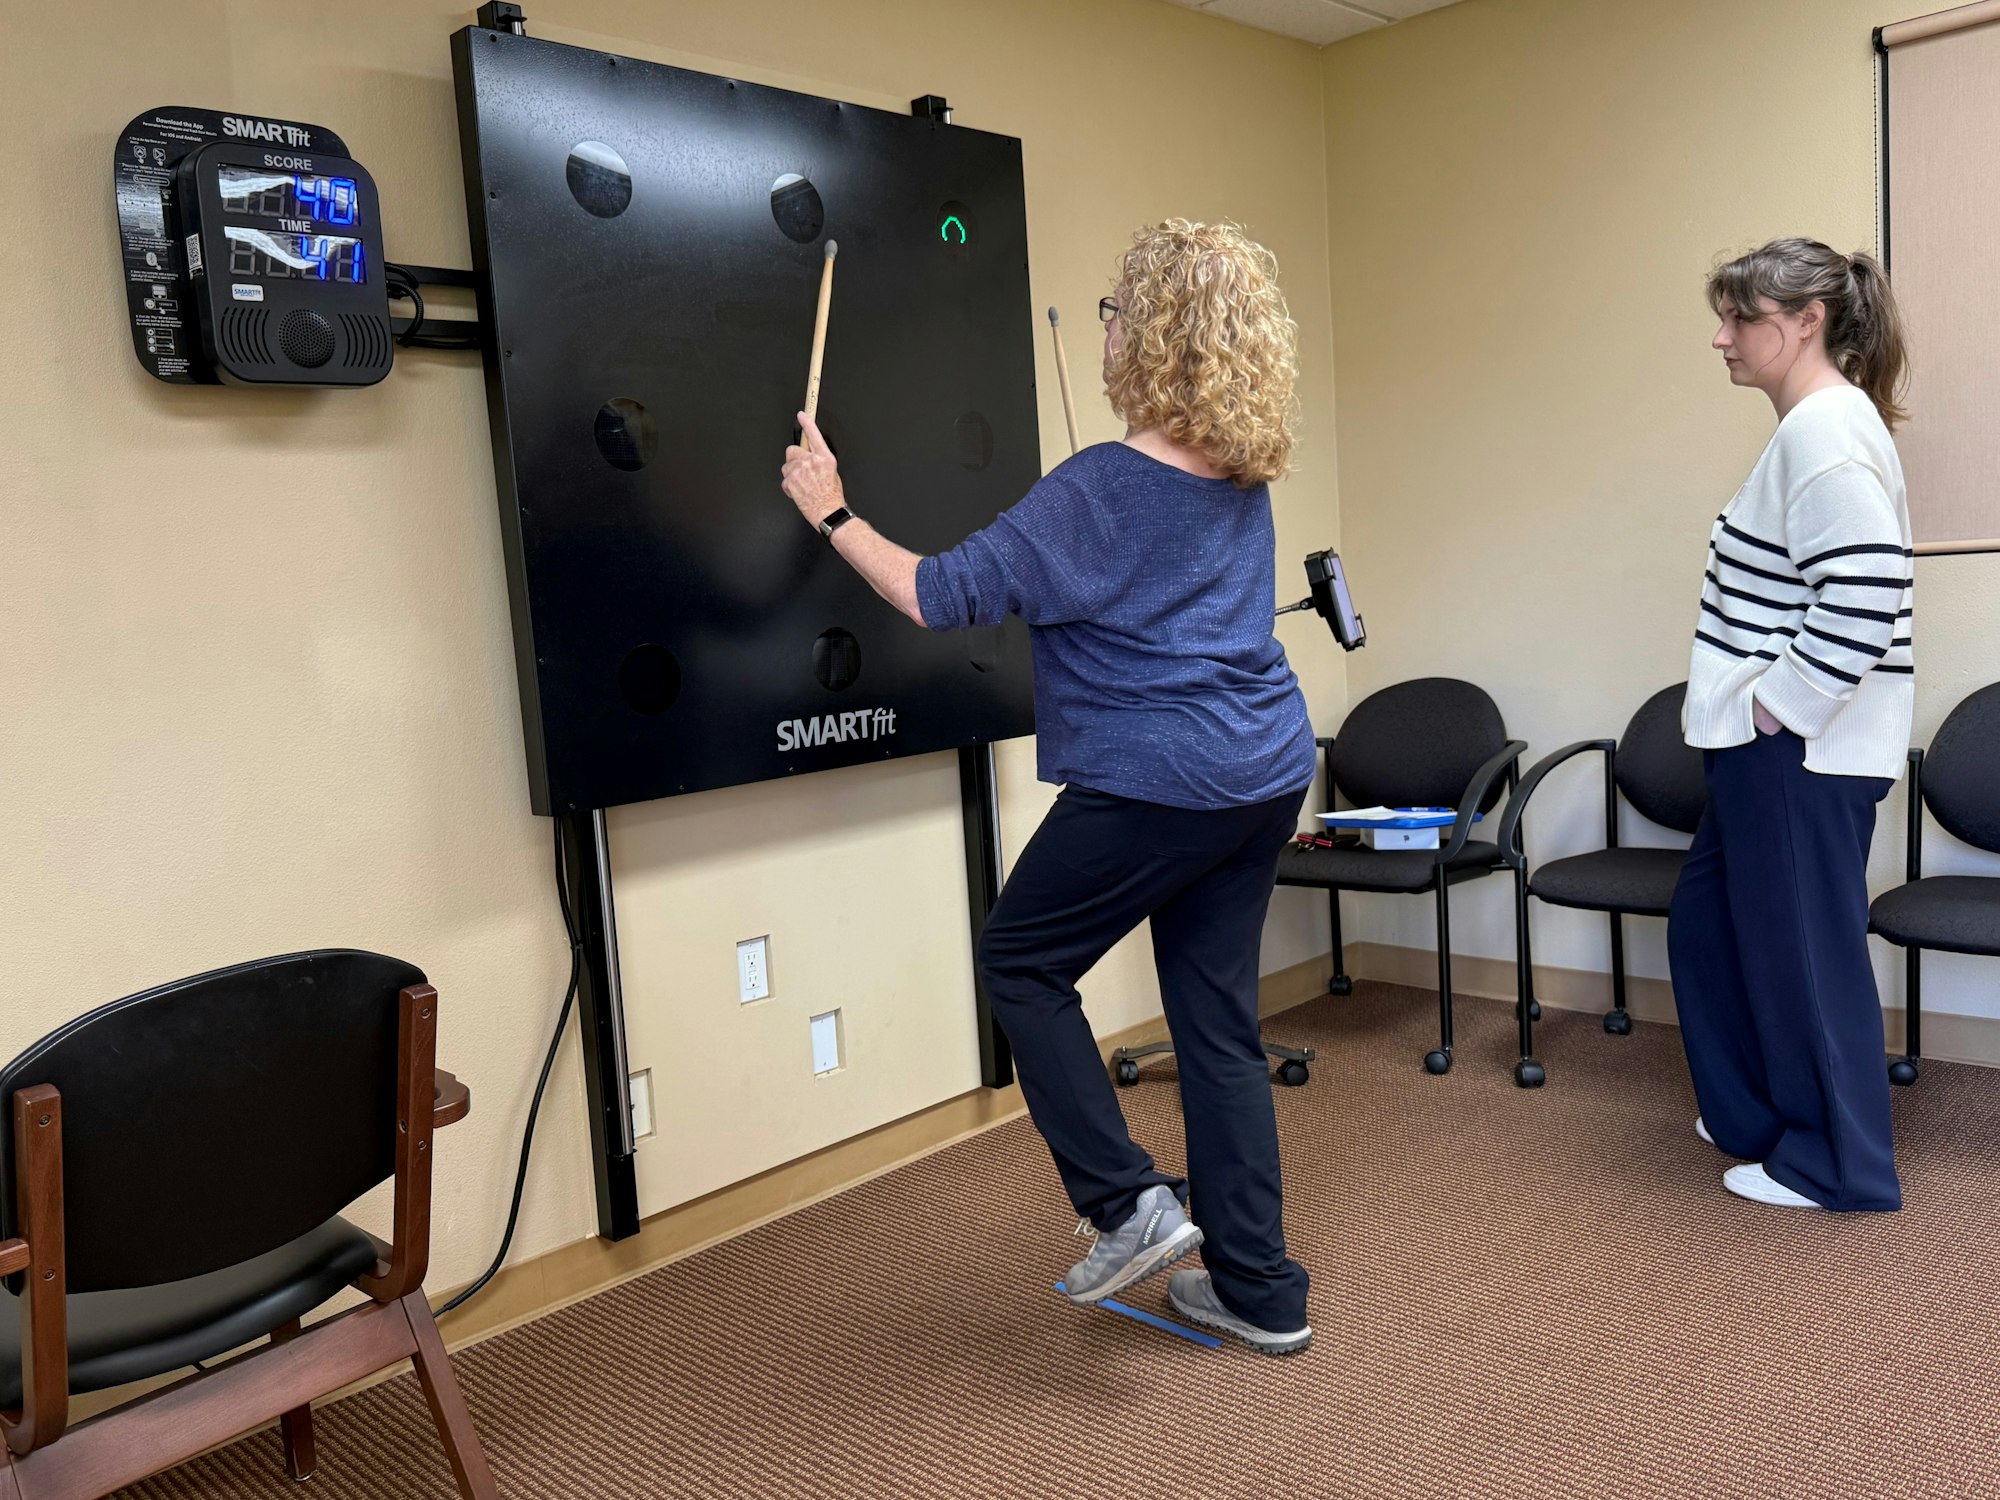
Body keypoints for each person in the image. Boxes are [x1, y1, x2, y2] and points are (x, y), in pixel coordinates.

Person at [779, 220, 1317, 1353]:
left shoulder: (1099, 488)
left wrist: (829, 509)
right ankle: (1257, 1291)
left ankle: (1125, 1204)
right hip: (1261, 769)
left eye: (1117, 312)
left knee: (1019, 963)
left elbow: (936, 594)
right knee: (1215, 1024)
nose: (1107, 328)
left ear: (1150, 336)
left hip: (1161, 781)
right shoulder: (1240, 473)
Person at [1669, 237, 1914, 1213]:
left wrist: (1780, 706)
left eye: (1738, 319)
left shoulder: (1822, 430)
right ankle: (1753, 1117)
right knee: (1709, 927)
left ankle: (1836, 1165)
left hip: (1794, 749)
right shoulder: (1811, 427)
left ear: (1803, 321)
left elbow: (1865, 589)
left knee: (1801, 955)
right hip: (1764, 748)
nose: (1718, 338)